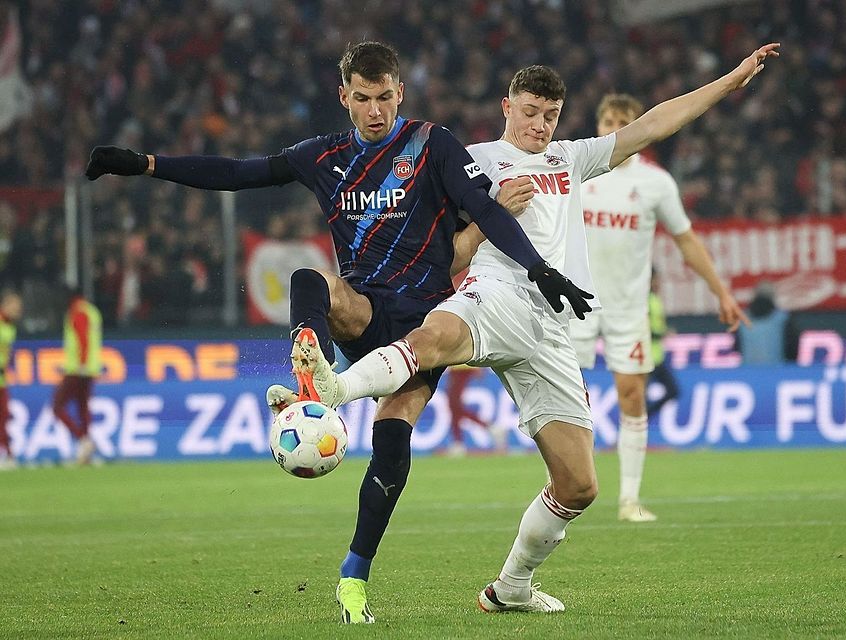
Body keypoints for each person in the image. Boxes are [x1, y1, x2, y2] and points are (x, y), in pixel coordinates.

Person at [84, 41, 589, 624]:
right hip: (365, 312)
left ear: (400, 93)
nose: (376, 111)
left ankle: (354, 575)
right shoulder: (321, 156)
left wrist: (539, 267)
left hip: (425, 322)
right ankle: (310, 381)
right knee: (309, 280)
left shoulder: (433, 145)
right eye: (364, 99)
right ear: (343, 96)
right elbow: (236, 174)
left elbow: (490, 209)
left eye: (385, 98)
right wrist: (146, 164)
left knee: (392, 443)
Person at [297, 44, 779, 613]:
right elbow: (440, 261)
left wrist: (729, 80)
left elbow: (653, 125)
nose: (539, 125)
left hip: (552, 328)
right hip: (495, 295)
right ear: (507, 107)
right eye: (529, 111)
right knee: (433, 341)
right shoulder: (469, 159)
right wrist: (486, 215)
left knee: (579, 484)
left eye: (549, 114)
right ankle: (335, 389)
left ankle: (511, 587)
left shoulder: (571, 159)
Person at [570, 94, 749, 523]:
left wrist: (721, 292)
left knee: (633, 396)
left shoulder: (655, 182)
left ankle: (629, 500)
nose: (615, 127)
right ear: (598, 125)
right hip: (574, 305)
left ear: (639, 126)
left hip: (628, 309)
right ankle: (562, 488)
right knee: (568, 400)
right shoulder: (576, 171)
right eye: (609, 119)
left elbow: (686, 241)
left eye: (624, 120)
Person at [52, 289, 102, 465]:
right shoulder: (92, 311)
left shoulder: (77, 311)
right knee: (83, 408)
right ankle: (86, 449)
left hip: (78, 369)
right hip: (90, 368)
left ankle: (83, 439)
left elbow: (82, 339)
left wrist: (81, 363)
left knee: (57, 406)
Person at [644, 268, 680, 422]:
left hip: (657, 357)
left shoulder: (654, 299)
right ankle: (634, 432)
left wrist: (662, 332)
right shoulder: (644, 301)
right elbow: (641, 329)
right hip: (644, 357)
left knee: (673, 391)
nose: (659, 283)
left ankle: (644, 420)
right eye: (656, 279)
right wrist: (661, 335)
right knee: (638, 401)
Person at [738, 282, 789, 365]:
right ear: (773, 296)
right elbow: (792, 348)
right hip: (777, 372)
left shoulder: (742, 319)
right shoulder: (783, 318)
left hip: (748, 373)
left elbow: (736, 347)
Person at [0, 290, 23, 470]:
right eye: (15, 306)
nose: (18, 310)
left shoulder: (10, 327)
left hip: (1, 378)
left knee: (4, 417)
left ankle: (7, 454)